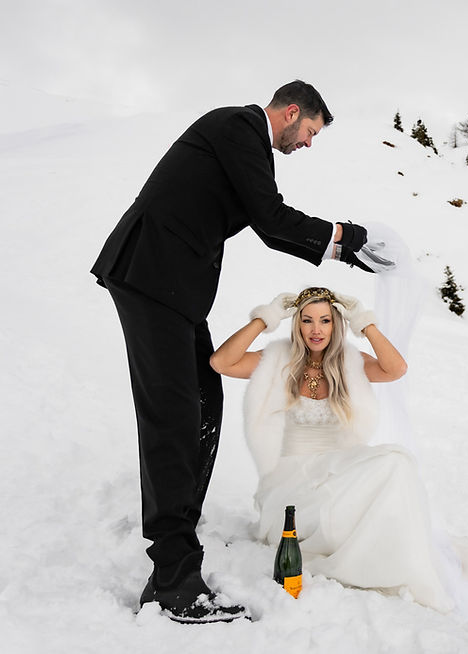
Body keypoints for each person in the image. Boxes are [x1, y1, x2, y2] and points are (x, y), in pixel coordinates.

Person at [91, 81, 391, 623]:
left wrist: (344, 250)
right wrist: (346, 239)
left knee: (205, 402)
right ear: (292, 111)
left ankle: (181, 525)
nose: (307, 144)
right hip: (150, 277)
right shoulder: (238, 128)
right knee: (172, 418)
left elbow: (265, 221)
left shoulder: (243, 140)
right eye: (311, 131)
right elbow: (272, 221)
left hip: (175, 291)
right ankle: (172, 581)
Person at [210, 287, 468, 611]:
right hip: (289, 486)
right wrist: (267, 317)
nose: (316, 330)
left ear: (336, 324)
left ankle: (400, 559)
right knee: (389, 469)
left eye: (325, 320)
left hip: (337, 469)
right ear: (297, 325)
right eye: (308, 320)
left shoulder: (349, 363)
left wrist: (364, 323)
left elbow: (396, 368)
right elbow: (221, 361)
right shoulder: (276, 360)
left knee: (397, 463)